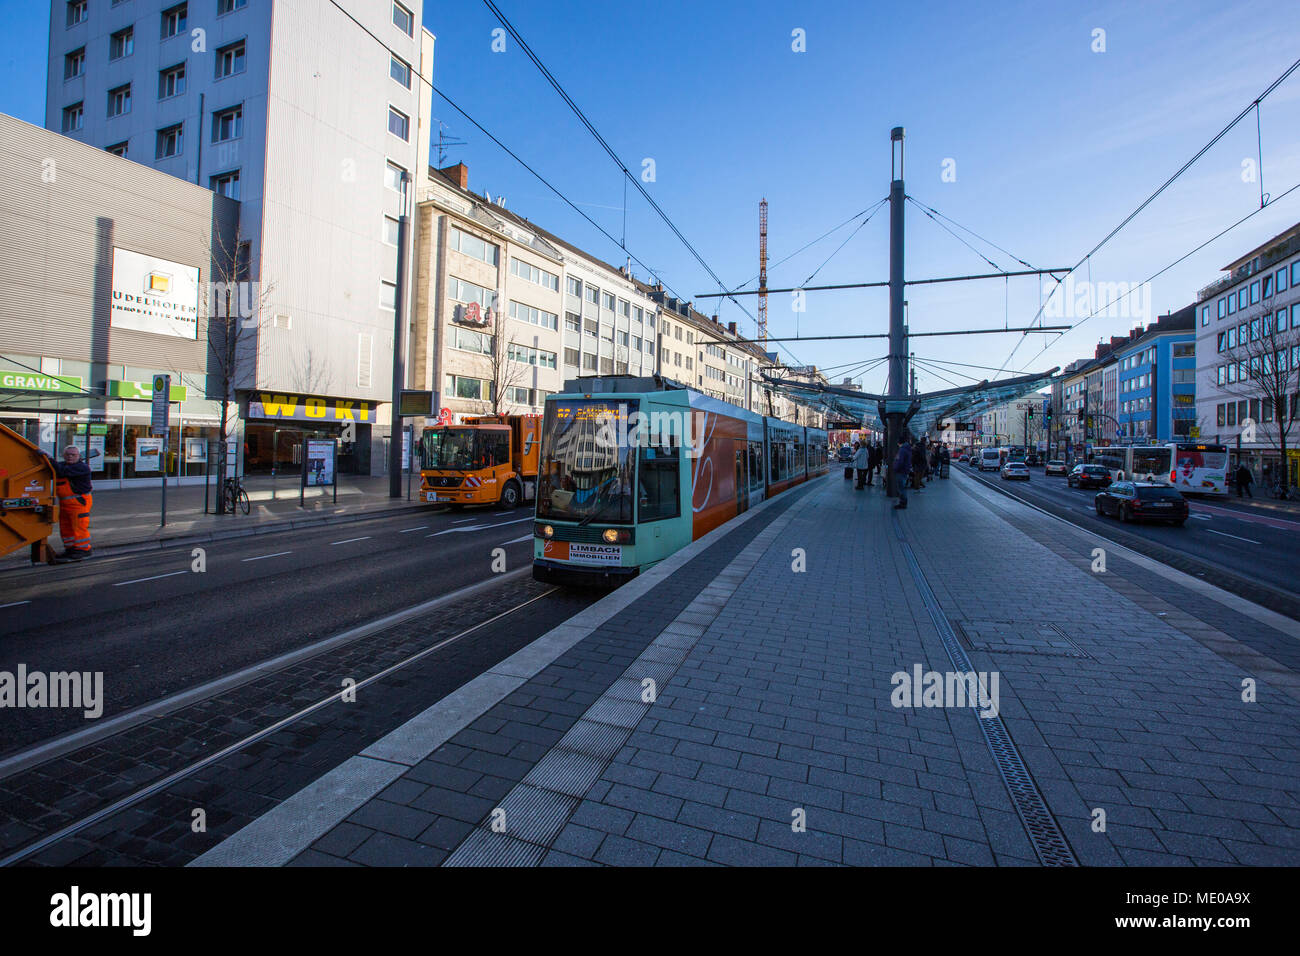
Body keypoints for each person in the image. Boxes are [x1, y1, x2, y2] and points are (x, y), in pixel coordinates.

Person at [48, 445, 93, 561]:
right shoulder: (62, 465)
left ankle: (83, 550)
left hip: (78, 503)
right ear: (64, 456)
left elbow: (61, 471)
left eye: (73, 455)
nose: (70, 457)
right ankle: (70, 549)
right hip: (65, 504)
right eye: (68, 455)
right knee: (66, 527)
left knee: (78, 527)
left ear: (79, 456)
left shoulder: (81, 467)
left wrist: (48, 458)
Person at [893, 435, 913, 509]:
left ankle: (903, 503)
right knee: (902, 487)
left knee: (901, 488)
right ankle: (903, 502)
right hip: (905, 470)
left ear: (899, 442)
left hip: (901, 471)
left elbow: (899, 461)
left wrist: (895, 468)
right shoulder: (907, 449)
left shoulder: (902, 450)